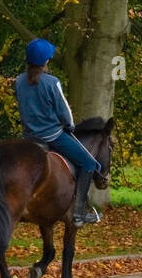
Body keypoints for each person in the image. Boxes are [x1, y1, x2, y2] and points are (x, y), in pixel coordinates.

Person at [14, 39, 101, 226]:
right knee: (88, 163)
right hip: (53, 136)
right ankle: (79, 213)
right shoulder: (52, 82)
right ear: (46, 61)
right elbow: (64, 112)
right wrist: (69, 125)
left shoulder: (19, 81)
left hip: (29, 138)